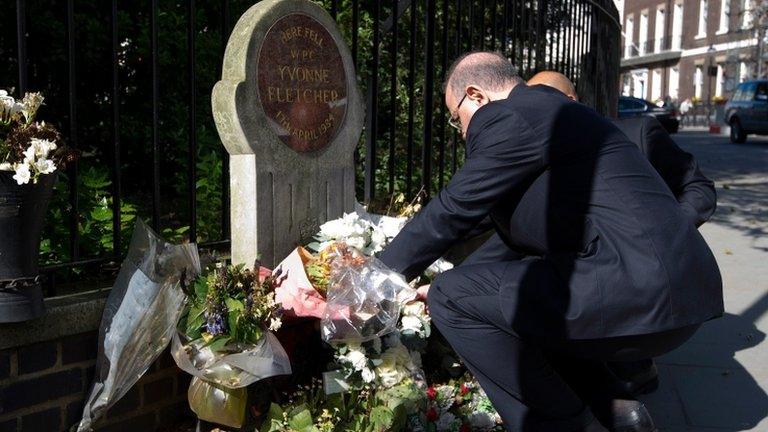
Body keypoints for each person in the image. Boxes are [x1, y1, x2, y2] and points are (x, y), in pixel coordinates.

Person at [378, 52, 723, 432]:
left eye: (454, 116)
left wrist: (372, 279)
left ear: (475, 95)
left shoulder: (512, 114)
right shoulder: (554, 116)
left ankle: (563, 424)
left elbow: (453, 208)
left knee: (451, 298)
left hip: (639, 295)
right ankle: (616, 410)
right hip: (683, 299)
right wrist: (461, 283)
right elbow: (513, 247)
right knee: (506, 299)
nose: (460, 130)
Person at [485, 70, 716, 397]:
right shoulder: (526, 151)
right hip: (572, 283)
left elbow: (698, 188)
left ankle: (630, 368)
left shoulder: (636, 132)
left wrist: (661, 228)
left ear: (571, 103)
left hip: (639, 277)